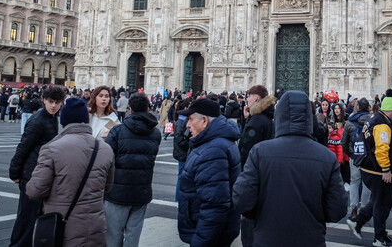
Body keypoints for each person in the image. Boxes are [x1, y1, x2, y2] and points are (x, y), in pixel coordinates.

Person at [233, 90, 347, 246]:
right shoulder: (326, 157)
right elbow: (337, 209)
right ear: (309, 117)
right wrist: (313, 216)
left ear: (279, 116)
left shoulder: (260, 152)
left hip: (267, 240)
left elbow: (242, 200)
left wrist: (262, 215)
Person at [26, 98, 115, 246]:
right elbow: (108, 187)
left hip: (63, 228)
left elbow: (35, 190)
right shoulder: (105, 149)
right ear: (86, 121)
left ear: (64, 122)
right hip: (96, 227)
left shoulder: (52, 148)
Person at [177, 98, 241, 247]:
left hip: (210, 235)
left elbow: (214, 204)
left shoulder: (213, 150)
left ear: (204, 121)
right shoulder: (218, 143)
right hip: (216, 230)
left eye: (191, 119)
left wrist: (200, 241)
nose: (187, 125)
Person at [8, 86, 64, 247]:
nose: (53, 105)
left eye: (57, 102)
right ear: (44, 100)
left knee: (34, 214)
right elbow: (23, 147)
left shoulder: (51, 118)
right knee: (26, 216)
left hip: (40, 173)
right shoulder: (39, 121)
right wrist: (15, 172)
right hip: (31, 174)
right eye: (50, 101)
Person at [104, 93, 162, 247]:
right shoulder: (156, 133)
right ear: (148, 108)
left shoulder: (117, 131)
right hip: (142, 191)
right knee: (133, 235)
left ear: (130, 109)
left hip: (117, 192)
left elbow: (106, 160)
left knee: (113, 234)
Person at [347, 94, 392, 247]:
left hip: (369, 168)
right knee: (383, 204)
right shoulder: (382, 124)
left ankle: (357, 222)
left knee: (377, 200)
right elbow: (382, 149)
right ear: (391, 109)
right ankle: (379, 237)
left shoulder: (374, 118)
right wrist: (386, 169)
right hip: (378, 170)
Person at [238, 85, 275, 247]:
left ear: (257, 99)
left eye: (249, 96)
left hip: (253, 180)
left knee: (249, 225)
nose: (247, 99)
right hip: (266, 178)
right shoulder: (268, 118)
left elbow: (246, 152)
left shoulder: (257, 122)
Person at [342, 97, 372, 220]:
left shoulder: (350, 122)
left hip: (354, 155)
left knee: (354, 181)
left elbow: (343, 141)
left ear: (357, 107)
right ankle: (364, 208)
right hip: (367, 157)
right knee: (366, 183)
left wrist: (349, 154)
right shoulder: (372, 121)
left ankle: (353, 207)